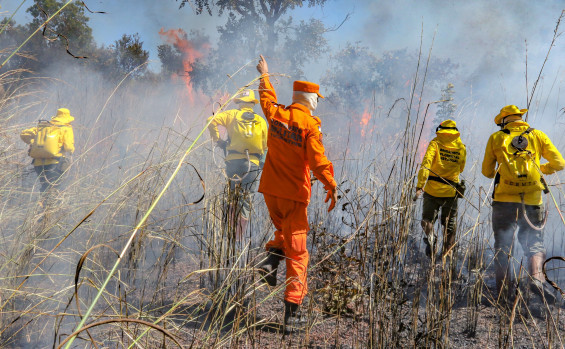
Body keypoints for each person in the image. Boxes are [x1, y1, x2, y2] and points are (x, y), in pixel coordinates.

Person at [255, 55, 337, 334]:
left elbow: (266, 99)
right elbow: (317, 161)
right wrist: (331, 184)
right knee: (299, 253)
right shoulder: (310, 126)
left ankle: (270, 261)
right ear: (310, 98)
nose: (317, 103)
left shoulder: (277, 114)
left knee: (285, 233)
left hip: (270, 192)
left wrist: (264, 75)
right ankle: (293, 314)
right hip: (293, 196)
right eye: (317, 98)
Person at [481, 105, 564, 303]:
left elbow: (486, 171)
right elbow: (559, 163)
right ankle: (536, 279)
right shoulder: (537, 135)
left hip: (503, 200)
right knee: (534, 243)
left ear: (504, 120)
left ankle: (502, 293)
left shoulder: (496, 138)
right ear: (520, 118)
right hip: (532, 200)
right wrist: (541, 169)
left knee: (503, 246)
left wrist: (501, 175)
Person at [207, 89, 268, 237]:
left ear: (239, 102)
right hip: (252, 163)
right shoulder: (260, 120)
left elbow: (210, 121)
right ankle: (239, 238)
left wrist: (218, 140)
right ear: (253, 103)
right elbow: (266, 145)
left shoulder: (232, 115)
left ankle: (228, 235)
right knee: (246, 200)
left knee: (232, 196)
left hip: (233, 161)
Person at [414, 119, 466, 260]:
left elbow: (426, 164)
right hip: (451, 191)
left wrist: (420, 184)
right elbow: (461, 168)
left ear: (440, 129)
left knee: (427, 221)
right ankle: (447, 258)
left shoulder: (435, 143)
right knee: (449, 226)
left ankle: (432, 239)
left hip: (432, 191)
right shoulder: (461, 147)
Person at [20, 107, 75, 195]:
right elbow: (68, 147)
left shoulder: (43, 127)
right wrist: (72, 150)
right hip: (55, 163)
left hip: (38, 163)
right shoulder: (66, 128)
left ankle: (43, 205)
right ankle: (49, 206)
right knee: (53, 188)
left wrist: (32, 142)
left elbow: (23, 134)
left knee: (45, 186)